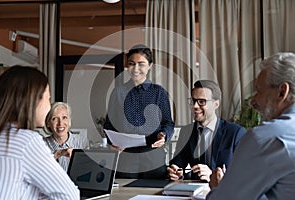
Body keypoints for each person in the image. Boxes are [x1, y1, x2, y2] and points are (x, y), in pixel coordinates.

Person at [207, 52, 295, 199]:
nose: (253, 101)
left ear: (281, 92)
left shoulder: (265, 138)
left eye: (259, 91)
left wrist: (219, 188)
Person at [0, 66, 79, 199]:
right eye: (48, 98)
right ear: (34, 101)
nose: (49, 106)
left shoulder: (0, 135)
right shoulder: (26, 141)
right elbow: (69, 196)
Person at [103, 44, 175, 179]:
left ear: (150, 65)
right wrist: (111, 143)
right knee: (124, 195)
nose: (136, 69)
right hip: (126, 156)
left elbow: (168, 122)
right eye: (131, 64)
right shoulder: (118, 92)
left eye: (141, 64)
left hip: (152, 154)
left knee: (154, 193)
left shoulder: (158, 92)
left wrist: (164, 135)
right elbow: (109, 124)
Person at [167, 80, 246, 182]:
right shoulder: (186, 131)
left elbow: (244, 172)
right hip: (193, 191)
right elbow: (179, 162)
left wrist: (213, 175)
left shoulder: (236, 133)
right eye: (193, 101)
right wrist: (176, 171)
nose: (195, 106)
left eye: (201, 102)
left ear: (216, 104)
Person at [44, 102, 89, 171]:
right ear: (48, 123)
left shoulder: (82, 141)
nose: (60, 123)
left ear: (69, 121)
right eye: (55, 118)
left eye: (64, 117)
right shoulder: (41, 144)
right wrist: (57, 154)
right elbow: (38, 172)